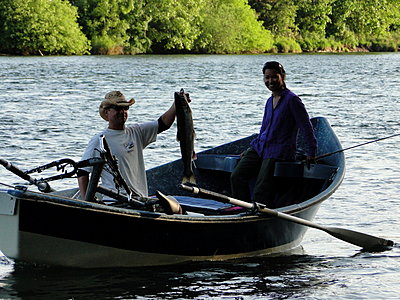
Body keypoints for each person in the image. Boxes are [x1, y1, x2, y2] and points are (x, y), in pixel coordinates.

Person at [230, 61, 317, 208]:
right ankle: (241, 208)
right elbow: (264, 129)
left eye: (274, 77)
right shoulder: (269, 101)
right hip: (260, 147)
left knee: (261, 187)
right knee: (236, 176)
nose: (270, 81)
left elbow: (306, 127)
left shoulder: (292, 100)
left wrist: (311, 152)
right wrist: (250, 150)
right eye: (267, 77)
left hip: (279, 150)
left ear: (283, 77)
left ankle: (258, 212)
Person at [77, 91, 180, 211]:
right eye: (117, 108)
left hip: (139, 200)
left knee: (176, 207)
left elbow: (163, 124)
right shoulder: (98, 140)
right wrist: (87, 203)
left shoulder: (136, 132)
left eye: (125, 108)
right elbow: (82, 172)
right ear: (107, 112)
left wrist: (177, 103)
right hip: (115, 202)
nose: (122, 112)